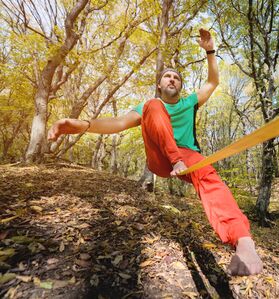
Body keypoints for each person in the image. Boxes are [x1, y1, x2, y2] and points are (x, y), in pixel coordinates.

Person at [47, 28, 263, 276]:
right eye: (167, 76)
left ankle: (243, 242)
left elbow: (213, 82)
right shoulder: (149, 105)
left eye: (176, 78)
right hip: (162, 158)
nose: (172, 79)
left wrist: (210, 51)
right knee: (152, 106)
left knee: (210, 178)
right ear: (159, 84)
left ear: (180, 86)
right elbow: (117, 122)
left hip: (189, 157)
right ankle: (176, 158)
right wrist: (81, 125)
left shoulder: (189, 102)